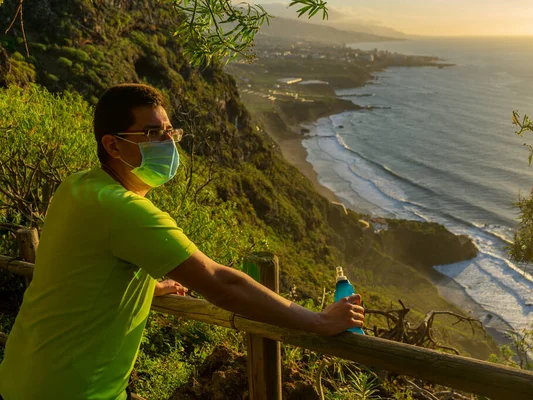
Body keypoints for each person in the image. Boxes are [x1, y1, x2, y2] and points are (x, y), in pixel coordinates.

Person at [0, 84, 364, 400]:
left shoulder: (78, 186)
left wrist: (145, 286)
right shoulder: (124, 210)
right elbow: (223, 286)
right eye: (153, 134)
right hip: (72, 391)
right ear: (112, 144)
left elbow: (77, 263)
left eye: (171, 132)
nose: (168, 143)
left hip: (23, 373)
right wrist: (317, 321)